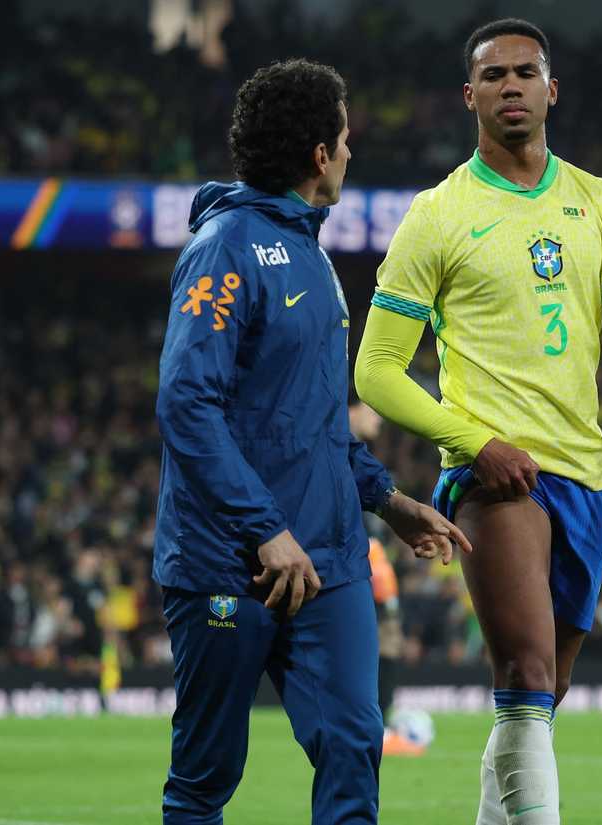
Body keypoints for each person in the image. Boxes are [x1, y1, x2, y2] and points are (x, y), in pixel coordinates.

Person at [353, 18, 602, 825]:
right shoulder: (437, 214)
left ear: (551, 89)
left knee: (541, 693)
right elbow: (375, 369)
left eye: (525, 73)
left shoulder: (601, 203)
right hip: (494, 474)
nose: (511, 86)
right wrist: (473, 442)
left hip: (584, 471)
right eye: (494, 76)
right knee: (530, 673)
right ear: (469, 96)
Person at [153, 58, 469, 825]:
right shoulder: (224, 248)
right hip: (230, 560)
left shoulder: (314, 257)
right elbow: (186, 402)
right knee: (204, 778)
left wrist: (388, 500)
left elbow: (318, 424)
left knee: (356, 746)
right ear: (321, 155)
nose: (352, 151)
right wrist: (264, 529)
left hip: (328, 560)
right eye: (346, 137)